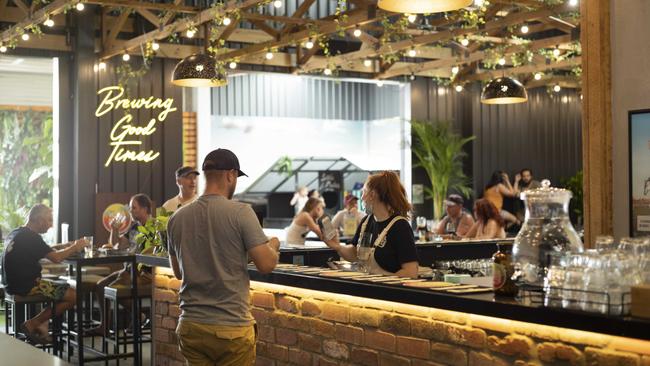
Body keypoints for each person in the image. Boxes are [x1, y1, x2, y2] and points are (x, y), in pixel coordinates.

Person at [167, 148, 280, 366]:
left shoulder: (176, 218)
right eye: (236, 177)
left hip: (191, 326)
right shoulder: (241, 212)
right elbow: (266, 264)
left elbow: (179, 271)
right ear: (230, 175)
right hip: (231, 329)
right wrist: (273, 244)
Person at [1, 204, 88, 344]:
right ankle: (33, 323)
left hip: (10, 284)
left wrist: (63, 246)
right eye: (49, 220)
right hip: (26, 286)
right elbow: (57, 258)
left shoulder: (17, 233)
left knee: (58, 285)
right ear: (40, 220)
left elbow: (43, 250)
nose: (51, 225)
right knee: (73, 295)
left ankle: (42, 327)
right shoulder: (32, 238)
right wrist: (75, 247)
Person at [324, 171, 419, 278]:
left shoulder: (400, 226)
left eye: (364, 192)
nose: (362, 198)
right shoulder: (367, 221)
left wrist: (382, 285)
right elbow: (355, 253)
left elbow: (410, 271)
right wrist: (337, 247)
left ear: (372, 195)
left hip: (389, 293)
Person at [90, 194, 153, 335]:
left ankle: (139, 315)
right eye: (130, 208)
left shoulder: (153, 227)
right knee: (100, 286)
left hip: (145, 273)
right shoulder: (134, 227)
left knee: (110, 290)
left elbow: (152, 253)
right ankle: (104, 326)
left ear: (144, 209)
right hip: (129, 269)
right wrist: (114, 229)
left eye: (134, 208)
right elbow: (116, 244)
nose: (130, 211)